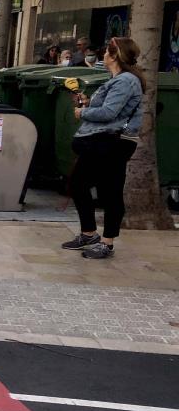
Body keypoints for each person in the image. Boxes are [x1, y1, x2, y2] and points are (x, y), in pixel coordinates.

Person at [62, 37, 145, 260]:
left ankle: (107, 242)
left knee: (110, 191)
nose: (102, 55)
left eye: (105, 52)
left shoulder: (125, 81)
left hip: (113, 142)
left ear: (114, 55)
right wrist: (87, 102)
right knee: (80, 184)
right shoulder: (116, 79)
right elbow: (108, 107)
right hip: (101, 141)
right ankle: (89, 233)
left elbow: (110, 113)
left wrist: (82, 113)